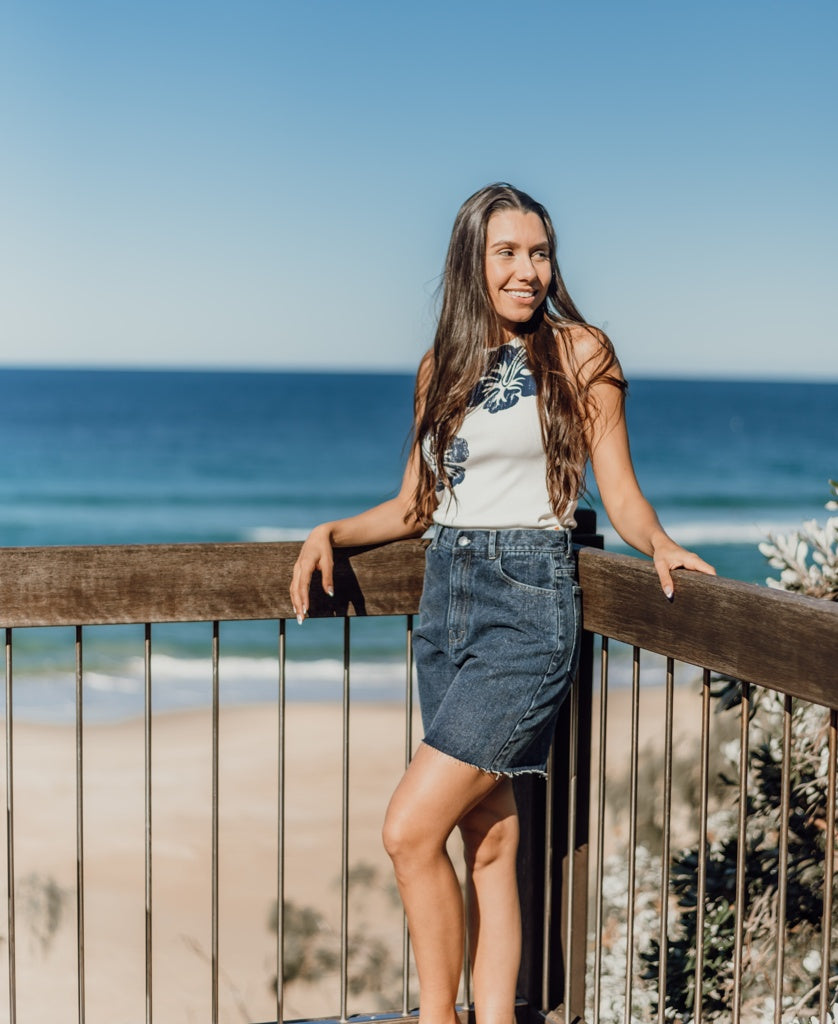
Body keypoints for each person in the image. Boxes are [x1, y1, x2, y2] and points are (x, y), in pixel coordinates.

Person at [290, 183, 715, 1024]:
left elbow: (620, 493)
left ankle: (438, 1018)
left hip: (527, 606)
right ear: (472, 263)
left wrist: (657, 542)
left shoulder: (583, 352)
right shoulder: (439, 366)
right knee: (490, 838)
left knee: (409, 831)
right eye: (507, 253)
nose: (528, 271)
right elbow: (417, 506)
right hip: (446, 601)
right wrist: (332, 531)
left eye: (540, 253)